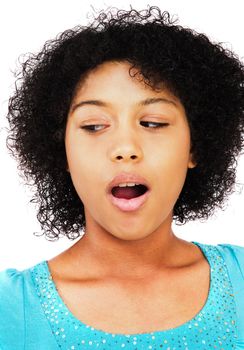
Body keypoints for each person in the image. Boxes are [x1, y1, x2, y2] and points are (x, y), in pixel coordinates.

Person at [0, 6, 244, 349]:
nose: (125, 148)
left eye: (153, 123)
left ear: (196, 145)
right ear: (62, 151)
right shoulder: (10, 308)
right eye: (94, 126)